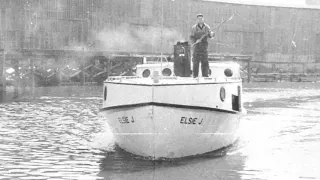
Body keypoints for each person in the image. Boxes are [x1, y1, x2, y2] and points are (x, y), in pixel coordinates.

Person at [190, 13, 215, 78]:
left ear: (203, 19)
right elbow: (192, 37)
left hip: (204, 48)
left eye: (201, 18)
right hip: (196, 48)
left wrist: (212, 34)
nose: (200, 20)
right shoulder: (194, 28)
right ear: (197, 20)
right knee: (195, 63)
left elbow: (210, 36)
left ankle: (205, 76)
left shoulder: (207, 27)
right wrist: (196, 41)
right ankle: (195, 76)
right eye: (199, 19)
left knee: (205, 63)